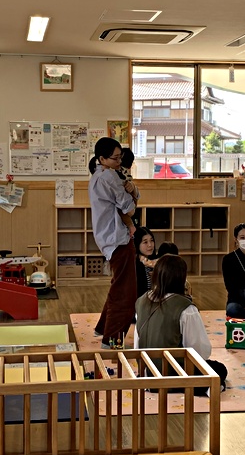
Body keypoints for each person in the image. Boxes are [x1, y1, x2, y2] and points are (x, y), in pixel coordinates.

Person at [134, 255, 228, 392]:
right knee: (219, 369)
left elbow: (137, 344)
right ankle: (200, 387)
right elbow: (199, 351)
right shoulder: (185, 307)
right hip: (172, 373)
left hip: (145, 371)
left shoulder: (141, 300)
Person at [88, 137, 139, 348]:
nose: (119, 162)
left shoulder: (97, 175)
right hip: (118, 238)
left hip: (108, 237)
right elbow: (130, 209)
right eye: (115, 158)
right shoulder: (109, 176)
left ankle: (102, 328)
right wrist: (132, 191)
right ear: (102, 159)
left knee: (119, 286)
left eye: (120, 158)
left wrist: (131, 190)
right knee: (126, 294)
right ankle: (112, 340)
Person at [94, 226, 157, 336]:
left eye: (151, 241)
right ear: (137, 243)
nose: (150, 245)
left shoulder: (150, 262)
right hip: (138, 308)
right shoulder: (135, 265)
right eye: (145, 242)